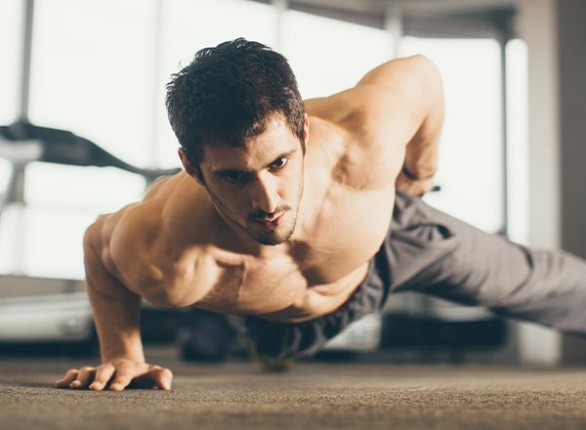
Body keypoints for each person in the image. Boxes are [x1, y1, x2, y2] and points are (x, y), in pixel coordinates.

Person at [56, 38, 586, 392]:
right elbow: (96, 243)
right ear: (192, 167)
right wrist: (122, 352)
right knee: (244, 328)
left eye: (280, 162)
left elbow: (423, 75)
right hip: (282, 319)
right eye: (233, 176)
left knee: (533, 279)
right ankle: (254, 336)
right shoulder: (164, 250)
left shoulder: (368, 135)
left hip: (389, 238)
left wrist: (420, 170)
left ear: (304, 132)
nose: (266, 201)